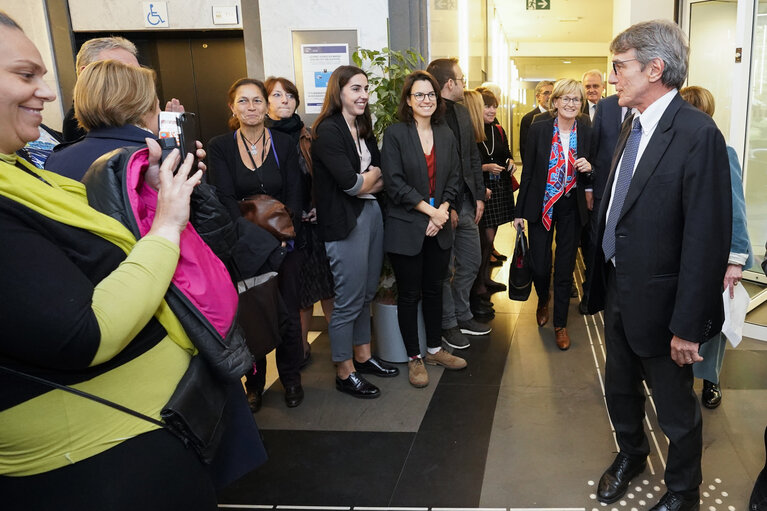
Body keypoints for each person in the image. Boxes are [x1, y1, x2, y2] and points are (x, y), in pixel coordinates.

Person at [0, 12, 246, 507]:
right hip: (98, 461)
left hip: (151, 433)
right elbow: (85, 331)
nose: (48, 94)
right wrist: (168, 224)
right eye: (26, 75)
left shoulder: (39, 169)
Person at [588, 20, 731, 511]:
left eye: (620, 67)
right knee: (619, 387)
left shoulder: (697, 134)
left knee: (675, 408)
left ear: (655, 68)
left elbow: (706, 241)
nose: (612, 79)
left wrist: (688, 327)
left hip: (667, 305)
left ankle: (684, 491)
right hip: (618, 286)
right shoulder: (632, 123)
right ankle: (630, 453)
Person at [208, 78, 305, 410]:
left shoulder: (284, 143)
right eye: (243, 101)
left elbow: (294, 192)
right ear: (232, 107)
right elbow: (223, 200)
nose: (251, 108)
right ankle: (255, 382)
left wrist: (281, 234)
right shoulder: (220, 146)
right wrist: (253, 241)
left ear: (267, 106)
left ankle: (291, 378)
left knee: (288, 314)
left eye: (257, 101)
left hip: (283, 240)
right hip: (243, 245)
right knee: (252, 313)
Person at [311, 65, 399, 399]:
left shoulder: (362, 127)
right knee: (348, 299)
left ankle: (362, 356)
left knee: (366, 294)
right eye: (355, 89)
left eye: (365, 89)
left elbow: (379, 177)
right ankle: (344, 370)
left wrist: (369, 178)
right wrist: (368, 177)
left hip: (370, 212)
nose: (363, 95)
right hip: (345, 220)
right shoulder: (328, 131)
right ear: (339, 92)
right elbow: (351, 184)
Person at [381, 70, 466, 388]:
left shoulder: (445, 134)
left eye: (430, 94)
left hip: (439, 225)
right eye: (419, 95)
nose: (426, 100)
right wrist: (431, 211)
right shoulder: (395, 134)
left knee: (434, 290)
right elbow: (394, 183)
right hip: (407, 227)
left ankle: (434, 349)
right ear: (408, 100)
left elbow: (454, 178)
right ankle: (414, 358)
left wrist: (443, 211)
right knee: (409, 294)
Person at [679, 85, 753, 409]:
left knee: (713, 321)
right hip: (680, 253)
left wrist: (735, 261)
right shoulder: (671, 149)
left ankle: (710, 378)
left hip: (711, 255)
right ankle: (679, 377)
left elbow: (736, 208)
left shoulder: (723, 151)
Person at [513, 79, 592, 351]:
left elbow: (598, 168)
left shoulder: (588, 129)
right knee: (540, 264)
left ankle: (560, 324)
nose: (571, 104)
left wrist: (589, 167)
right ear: (555, 102)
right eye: (566, 99)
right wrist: (519, 211)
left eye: (576, 99)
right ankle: (542, 298)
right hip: (541, 203)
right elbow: (530, 171)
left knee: (565, 267)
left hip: (572, 205)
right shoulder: (539, 129)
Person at [265, 76, 334, 366]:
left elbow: (321, 177)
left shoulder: (308, 134)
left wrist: (319, 205)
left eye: (290, 95)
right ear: (266, 102)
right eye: (277, 95)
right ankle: (301, 347)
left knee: (328, 284)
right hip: (281, 225)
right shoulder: (260, 137)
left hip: (315, 221)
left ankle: (341, 348)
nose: (285, 100)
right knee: (299, 292)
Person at [426, 57, 489, 351]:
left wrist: (478, 195)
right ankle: (448, 322)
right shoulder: (429, 115)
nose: (465, 85)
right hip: (441, 207)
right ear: (449, 83)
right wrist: (445, 206)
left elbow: (472, 157)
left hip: (467, 202)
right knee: (444, 269)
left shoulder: (463, 113)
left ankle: (463, 313)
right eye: (462, 80)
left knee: (472, 261)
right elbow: (435, 167)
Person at [44, 60, 162, 180]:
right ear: (142, 107)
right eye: (157, 105)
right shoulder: (157, 157)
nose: (161, 113)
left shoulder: (56, 160)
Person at [62, 36, 184, 143]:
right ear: (87, 73)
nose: (133, 80)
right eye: (118, 71)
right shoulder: (80, 122)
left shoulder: (138, 112)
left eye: (136, 72)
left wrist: (168, 135)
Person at [579, 92, 631, 315]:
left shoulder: (648, 106)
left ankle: (620, 298)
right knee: (595, 242)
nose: (613, 79)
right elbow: (594, 147)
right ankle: (591, 293)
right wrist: (589, 188)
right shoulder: (606, 106)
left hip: (633, 191)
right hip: (603, 188)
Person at [471, 87, 515, 314]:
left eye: (494, 106)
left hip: (498, 187)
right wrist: (486, 167)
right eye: (487, 106)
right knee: (483, 239)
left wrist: (509, 161)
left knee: (490, 239)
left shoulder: (497, 129)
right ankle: (477, 285)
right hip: (481, 189)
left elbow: (505, 152)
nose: (492, 110)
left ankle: (485, 278)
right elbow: (467, 165)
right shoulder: (472, 131)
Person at [519, 80, 553, 164]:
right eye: (546, 93)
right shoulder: (528, 119)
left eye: (552, 93)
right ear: (538, 96)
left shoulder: (559, 116)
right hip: (537, 166)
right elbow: (525, 149)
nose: (550, 96)